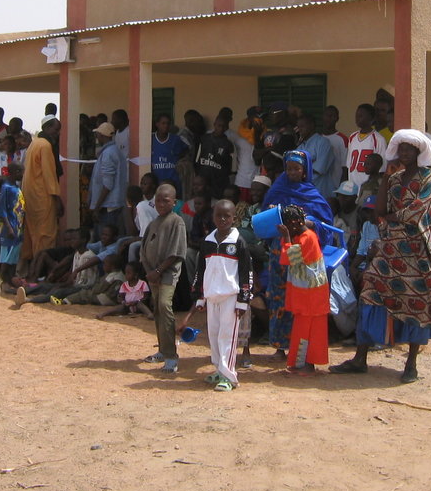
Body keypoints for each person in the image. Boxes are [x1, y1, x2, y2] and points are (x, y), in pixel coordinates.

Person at [331, 129, 431, 383]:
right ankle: (360, 358)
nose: (404, 152)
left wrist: (391, 218)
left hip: (418, 252)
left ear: (419, 151)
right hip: (391, 248)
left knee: (417, 302)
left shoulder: (430, 178)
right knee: (370, 292)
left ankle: (411, 364)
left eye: (409, 148)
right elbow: (379, 212)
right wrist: (386, 177)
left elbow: (416, 212)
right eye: (401, 148)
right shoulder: (394, 179)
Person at [261, 149, 333, 362]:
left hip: (303, 253)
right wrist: (273, 213)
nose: (292, 172)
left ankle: (298, 347)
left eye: (296, 169)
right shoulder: (277, 189)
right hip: (279, 252)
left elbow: (324, 224)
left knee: (299, 300)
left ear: (305, 171)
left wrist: (305, 223)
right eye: (289, 168)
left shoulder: (312, 194)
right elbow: (265, 217)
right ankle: (279, 346)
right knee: (279, 297)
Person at [190, 200, 253, 391]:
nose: (223, 219)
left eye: (227, 216)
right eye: (219, 215)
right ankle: (219, 369)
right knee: (214, 335)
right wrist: (200, 296)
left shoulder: (238, 242)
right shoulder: (207, 242)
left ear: (234, 218)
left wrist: (243, 300)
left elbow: (246, 272)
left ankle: (229, 376)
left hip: (230, 297)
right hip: (212, 296)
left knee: (227, 336)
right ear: (213, 217)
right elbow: (201, 271)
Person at [139, 183, 189, 373]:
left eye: (165, 201)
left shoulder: (176, 222)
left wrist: (159, 271)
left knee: (164, 306)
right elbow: (143, 250)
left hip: (167, 273)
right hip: (153, 275)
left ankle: (171, 356)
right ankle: (162, 349)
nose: (161, 204)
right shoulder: (154, 223)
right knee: (158, 310)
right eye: (158, 200)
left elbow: (176, 252)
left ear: (174, 202)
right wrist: (150, 271)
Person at [277, 204, 329, 375]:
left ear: (294, 224)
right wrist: (287, 237)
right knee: (302, 327)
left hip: (313, 294)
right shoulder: (302, 235)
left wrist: (286, 237)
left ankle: (309, 363)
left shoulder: (308, 237)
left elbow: (290, 258)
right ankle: (300, 362)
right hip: (306, 292)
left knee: (311, 330)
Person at [20, 117, 63, 272]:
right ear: (47, 128)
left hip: (30, 194)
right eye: (56, 130)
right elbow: (49, 174)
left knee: (32, 232)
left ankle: (29, 267)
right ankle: (40, 269)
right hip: (42, 196)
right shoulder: (45, 145)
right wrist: (57, 198)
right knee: (46, 233)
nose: (58, 134)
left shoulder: (34, 143)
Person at [90, 121, 127, 232]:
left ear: (102, 135)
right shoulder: (115, 151)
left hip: (107, 207)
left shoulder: (108, 154)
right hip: (113, 204)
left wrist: (97, 207)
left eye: (98, 134)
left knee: (105, 238)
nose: (97, 137)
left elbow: (107, 184)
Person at [346, 104, 387, 190]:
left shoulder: (378, 139)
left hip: (368, 187)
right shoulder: (352, 137)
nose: (357, 118)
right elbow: (349, 164)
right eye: (356, 115)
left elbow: (382, 168)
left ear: (371, 119)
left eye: (361, 116)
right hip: (352, 187)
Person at [296, 113, 337, 200]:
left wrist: (301, 167)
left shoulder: (323, 142)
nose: (299, 130)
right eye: (298, 127)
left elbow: (320, 169)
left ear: (311, 126)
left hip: (321, 193)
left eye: (302, 126)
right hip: (304, 194)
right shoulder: (300, 147)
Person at [195, 115, 234, 200]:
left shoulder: (228, 144)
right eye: (219, 125)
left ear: (226, 128)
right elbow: (197, 159)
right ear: (214, 124)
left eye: (224, 126)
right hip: (203, 179)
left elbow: (229, 167)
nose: (221, 128)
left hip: (218, 182)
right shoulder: (204, 139)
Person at [151, 113, 187, 190]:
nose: (166, 126)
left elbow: (185, 150)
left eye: (168, 123)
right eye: (163, 123)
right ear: (157, 124)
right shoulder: (151, 139)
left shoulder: (175, 139)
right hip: (156, 181)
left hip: (173, 180)